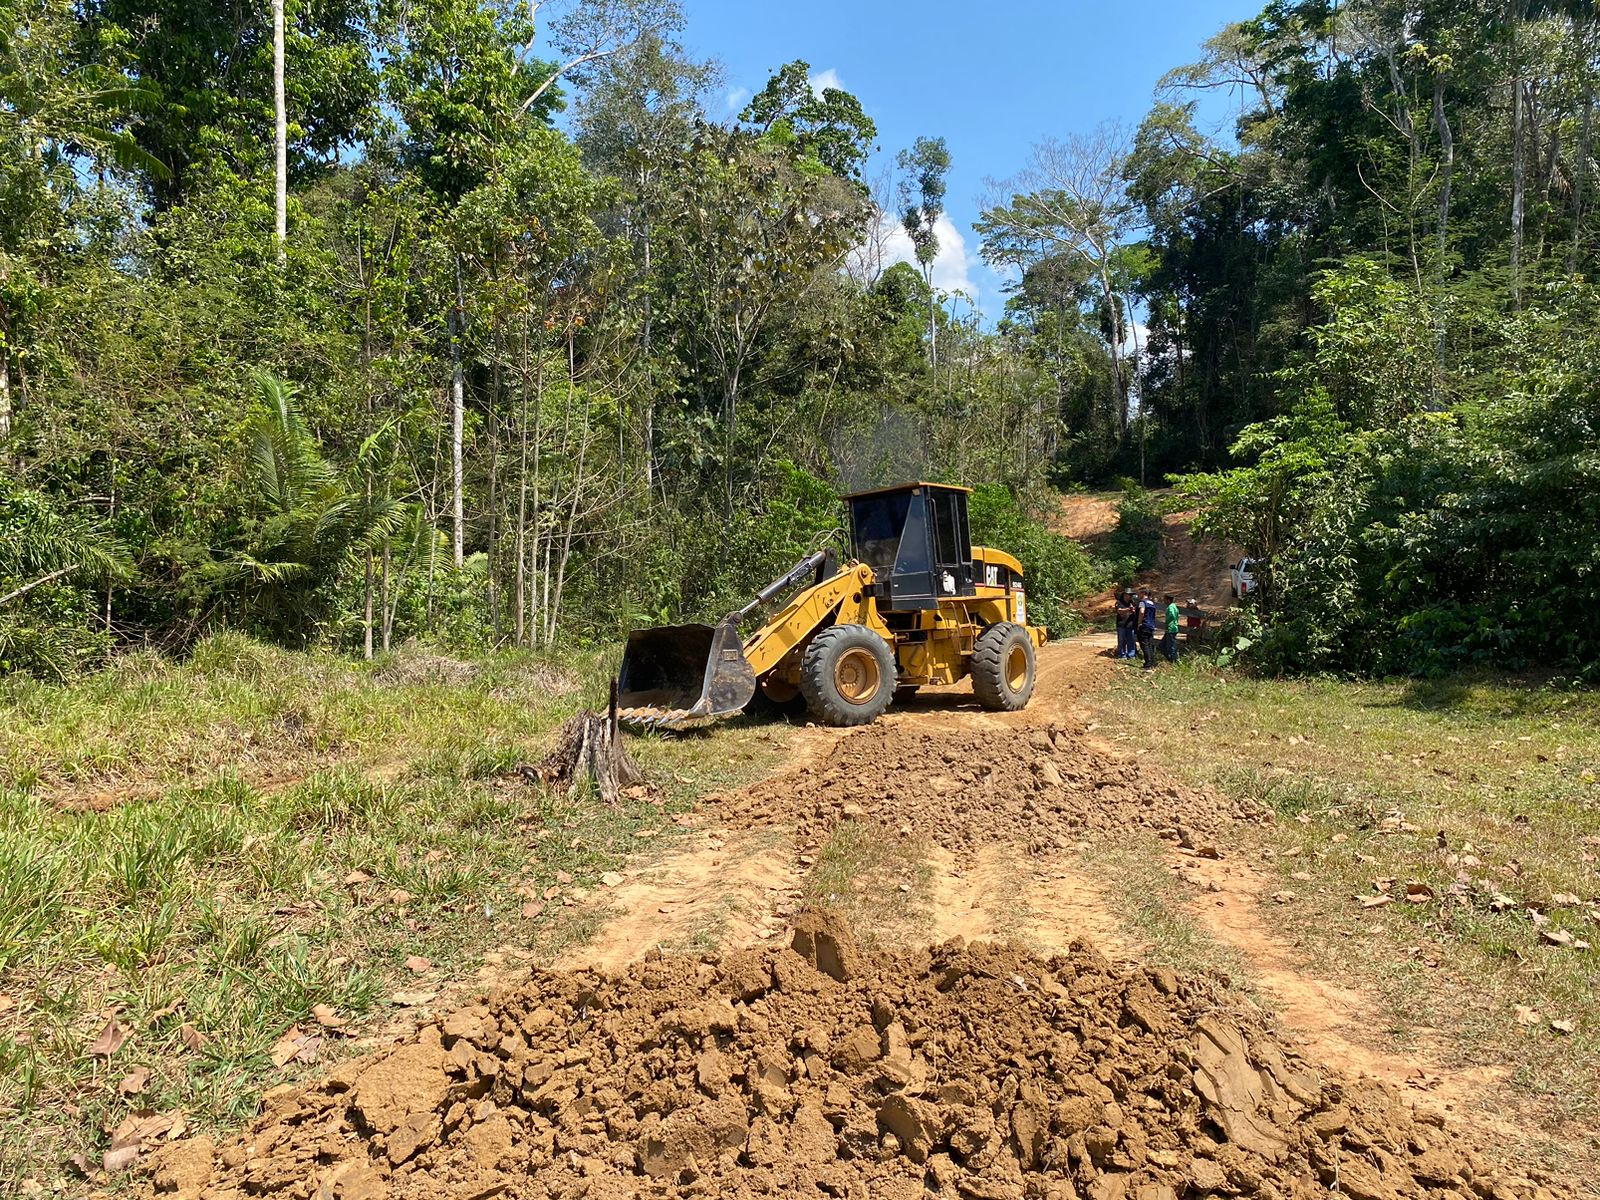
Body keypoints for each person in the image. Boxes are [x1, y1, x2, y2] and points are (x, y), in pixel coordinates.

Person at [1135, 587, 1158, 670]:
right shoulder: (1152, 603)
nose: (1138, 595)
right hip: (1151, 626)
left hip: (1144, 625)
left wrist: (1139, 622)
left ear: (1143, 593)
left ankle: (1148, 664)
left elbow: (1141, 611)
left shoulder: (1142, 602)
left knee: (1144, 645)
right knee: (1149, 644)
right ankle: (1153, 662)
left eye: (1139, 593)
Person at [1114, 589, 1136, 659]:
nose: (1130, 596)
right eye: (1128, 595)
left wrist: (1134, 610)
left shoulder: (1132, 602)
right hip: (1121, 624)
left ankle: (1131, 655)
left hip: (1130, 624)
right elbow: (1119, 611)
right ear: (1124, 595)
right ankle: (1122, 655)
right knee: (1121, 641)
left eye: (1130, 595)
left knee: (1131, 640)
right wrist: (1128, 609)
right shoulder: (1119, 602)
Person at [1162, 593, 1181, 663]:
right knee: (1162, 645)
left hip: (1171, 629)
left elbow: (1172, 615)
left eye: (1165, 599)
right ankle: (1171, 659)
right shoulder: (1173, 606)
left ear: (1168, 600)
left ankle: (1174, 661)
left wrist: (1168, 622)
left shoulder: (1171, 607)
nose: (1164, 601)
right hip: (1171, 629)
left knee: (1171, 646)